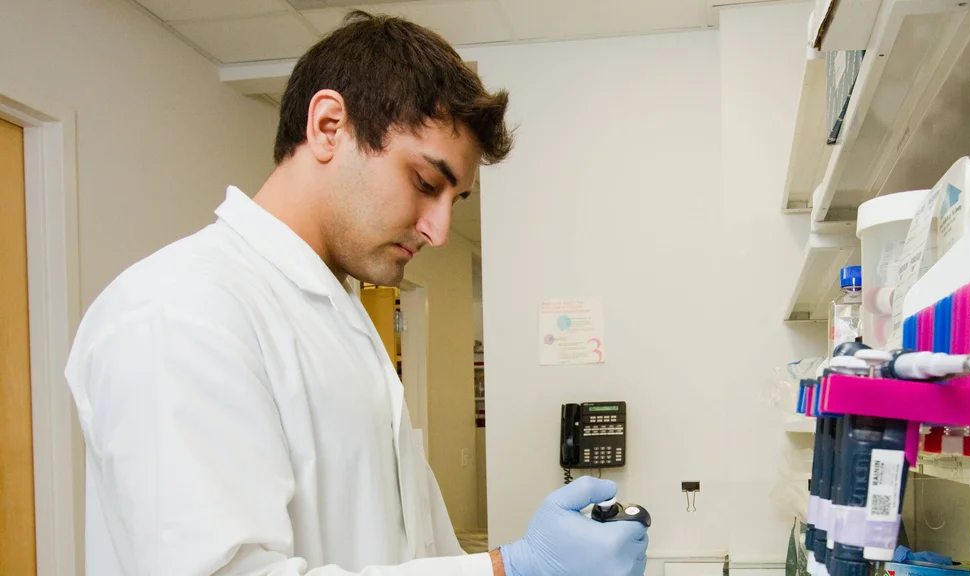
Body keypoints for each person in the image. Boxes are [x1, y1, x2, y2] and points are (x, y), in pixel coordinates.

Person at [64, 9, 649, 576]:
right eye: (425, 183)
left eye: (455, 202)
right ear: (328, 127)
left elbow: (401, 551)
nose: (438, 231)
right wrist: (508, 570)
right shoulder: (179, 309)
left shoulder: (338, 317)